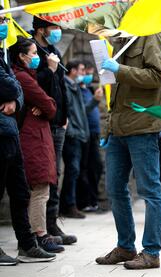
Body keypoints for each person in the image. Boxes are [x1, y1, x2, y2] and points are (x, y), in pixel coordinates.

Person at [95, 34, 161, 269]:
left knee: (150, 190)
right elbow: (115, 95)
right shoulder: (120, 41)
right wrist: (108, 129)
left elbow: (157, 76)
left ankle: (151, 252)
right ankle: (126, 247)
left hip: (143, 125)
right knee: (115, 188)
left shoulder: (150, 36)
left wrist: (120, 69)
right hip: (119, 128)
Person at [0, 8, 55, 265]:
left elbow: (16, 91)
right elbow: (12, 85)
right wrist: (13, 93)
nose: (4, 24)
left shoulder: (7, 62)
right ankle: (32, 237)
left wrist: (15, 99)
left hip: (11, 136)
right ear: (21, 56)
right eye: (0, 20)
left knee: (21, 191)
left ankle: (28, 244)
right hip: (13, 135)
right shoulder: (19, 72)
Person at [11, 36, 64, 253]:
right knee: (40, 187)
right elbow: (50, 106)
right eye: (33, 54)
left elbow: (49, 104)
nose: (36, 57)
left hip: (37, 137)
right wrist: (46, 106)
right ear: (22, 56)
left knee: (40, 188)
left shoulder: (28, 75)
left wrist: (46, 105)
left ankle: (39, 232)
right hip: (32, 139)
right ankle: (39, 234)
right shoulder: (23, 77)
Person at [32, 17, 77, 245]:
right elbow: (35, 85)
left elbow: (61, 87)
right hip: (43, 121)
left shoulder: (54, 51)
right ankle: (42, 228)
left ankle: (52, 222)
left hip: (59, 121)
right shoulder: (32, 52)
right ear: (41, 30)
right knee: (45, 174)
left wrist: (66, 115)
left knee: (55, 173)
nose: (58, 31)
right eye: (54, 28)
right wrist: (49, 69)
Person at [60, 60, 101, 219]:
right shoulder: (66, 86)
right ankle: (68, 204)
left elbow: (81, 112)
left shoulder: (75, 86)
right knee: (73, 170)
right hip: (73, 134)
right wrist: (71, 131)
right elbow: (69, 111)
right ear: (72, 70)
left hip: (80, 134)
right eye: (82, 70)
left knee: (76, 170)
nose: (84, 74)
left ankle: (69, 204)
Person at [76, 61, 104, 213]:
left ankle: (93, 200)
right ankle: (83, 201)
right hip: (83, 133)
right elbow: (81, 111)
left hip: (94, 133)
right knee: (83, 167)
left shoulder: (89, 89)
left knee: (96, 166)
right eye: (86, 72)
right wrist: (95, 100)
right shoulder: (76, 90)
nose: (88, 76)